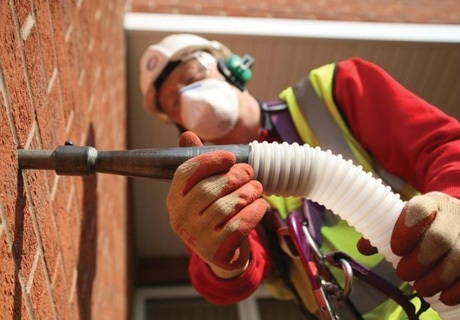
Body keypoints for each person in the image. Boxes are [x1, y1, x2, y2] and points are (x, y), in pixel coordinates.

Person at [139, 34, 460, 319]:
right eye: (175, 102)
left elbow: (440, 147)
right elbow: (230, 281)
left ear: (232, 68)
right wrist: (220, 255)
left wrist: (453, 202)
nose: (189, 96)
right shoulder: (219, 185)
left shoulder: (333, 90)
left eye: (193, 76)